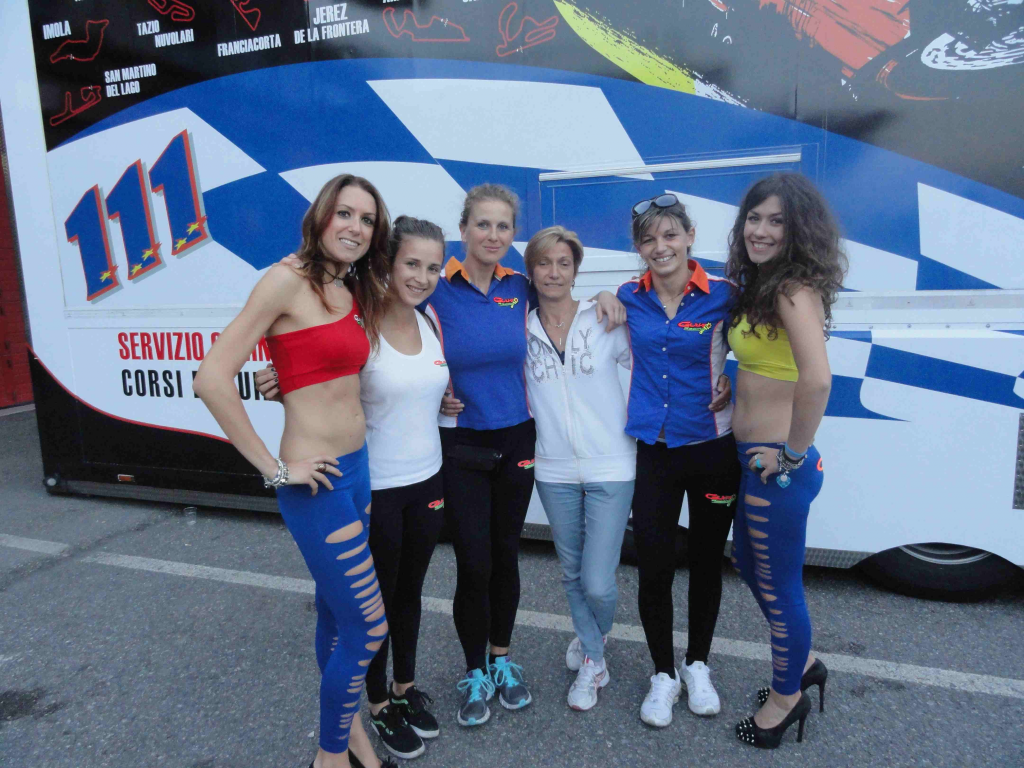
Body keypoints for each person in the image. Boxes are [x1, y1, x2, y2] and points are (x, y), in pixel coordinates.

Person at [193, 174, 396, 768]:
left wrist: (286, 380)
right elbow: (211, 379)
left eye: (367, 219)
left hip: (357, 470)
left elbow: (320, 369)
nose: (355, 227)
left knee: (336, 615)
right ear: (321, 216)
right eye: (345, 213)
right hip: (317, 483)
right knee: (369, 627)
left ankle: (354, 739)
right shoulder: (284, 280)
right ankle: (330, 757)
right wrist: (276, 469)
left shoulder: (350, 286)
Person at [430, 184, 626, 726]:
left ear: (512, 234)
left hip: (518, 440)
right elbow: (394, 335)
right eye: (483, 224)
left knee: (506, 556)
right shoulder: (434, 288)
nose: (493, 235)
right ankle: (474, 670)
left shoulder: (519, 286)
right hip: (463, 443)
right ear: (464, 229)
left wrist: (608, 294)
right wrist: (432, 392)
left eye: (503, 226)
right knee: (474, 562)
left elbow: (567, 296)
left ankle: (502, 659)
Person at [256, 216, 450, 760]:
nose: (422, 277)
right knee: (370, 609)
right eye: (411, 263)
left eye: (433, 267)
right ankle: (376, 705)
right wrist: (283, 382)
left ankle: (403, 691)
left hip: (427, 478)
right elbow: (320, 376)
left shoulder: (430, 317)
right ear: (387, 263)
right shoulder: (357, 320)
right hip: (374, 484)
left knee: (409, 593)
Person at [727, 173, 845, 748]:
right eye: (754, 217)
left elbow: (817, 380)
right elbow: (764, 365)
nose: (761, 230)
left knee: (779, 588)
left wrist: (792, 456)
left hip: (778, 468)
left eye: (776, 221)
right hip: (756, 459)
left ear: (798, 229)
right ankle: (803, 664)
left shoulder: (793, 287)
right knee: (752, 568)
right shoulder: (765, 283)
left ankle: (784, 702)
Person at [615, 194, 737, 728]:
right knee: (655, 565)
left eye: (670, 235)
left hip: (712, 447)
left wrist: (737, 378)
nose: (660, 247)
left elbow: (762, 346)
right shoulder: (627, 296)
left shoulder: (726, 294)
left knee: (707, 561)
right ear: (639, 247)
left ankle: (698, 664)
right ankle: (663, 674)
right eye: (648, 239)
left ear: (690, 236)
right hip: (655, 451)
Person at [522, 226, 636, 711]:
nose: (554, 272)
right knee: (571, 572)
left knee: (598, 582)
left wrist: (717, 382)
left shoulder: (604, 318)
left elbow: (657, 365)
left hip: (612, 465)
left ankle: (594, 635)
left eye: (563, 263)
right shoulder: (521, 327)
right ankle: (594, 656)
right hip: (553, 469)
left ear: (575, 270)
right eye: (544, 263)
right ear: (531, 271)